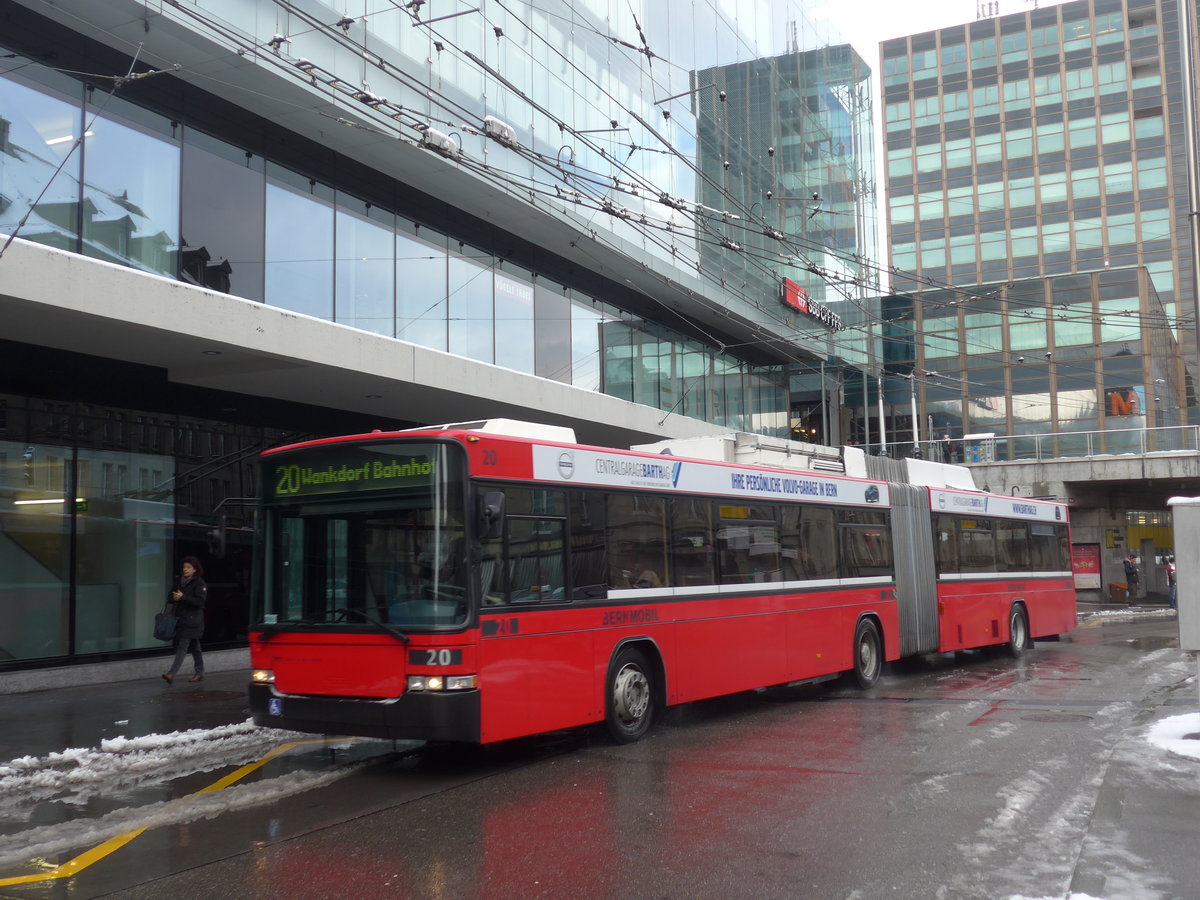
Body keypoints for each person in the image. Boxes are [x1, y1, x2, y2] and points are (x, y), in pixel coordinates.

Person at [163, 556, 207, 684]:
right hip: (180, 619)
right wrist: (175, 598)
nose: (185, 570)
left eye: (188, 567)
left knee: (183, 646)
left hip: (193, 621)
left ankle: (171, 673)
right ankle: (200, 672)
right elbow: (169, 597)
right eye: (184, 567)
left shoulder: (200, 584)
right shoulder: (179, 581)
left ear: (195, 570)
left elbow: (200, 602)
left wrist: (183, 597)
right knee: (195, 647)